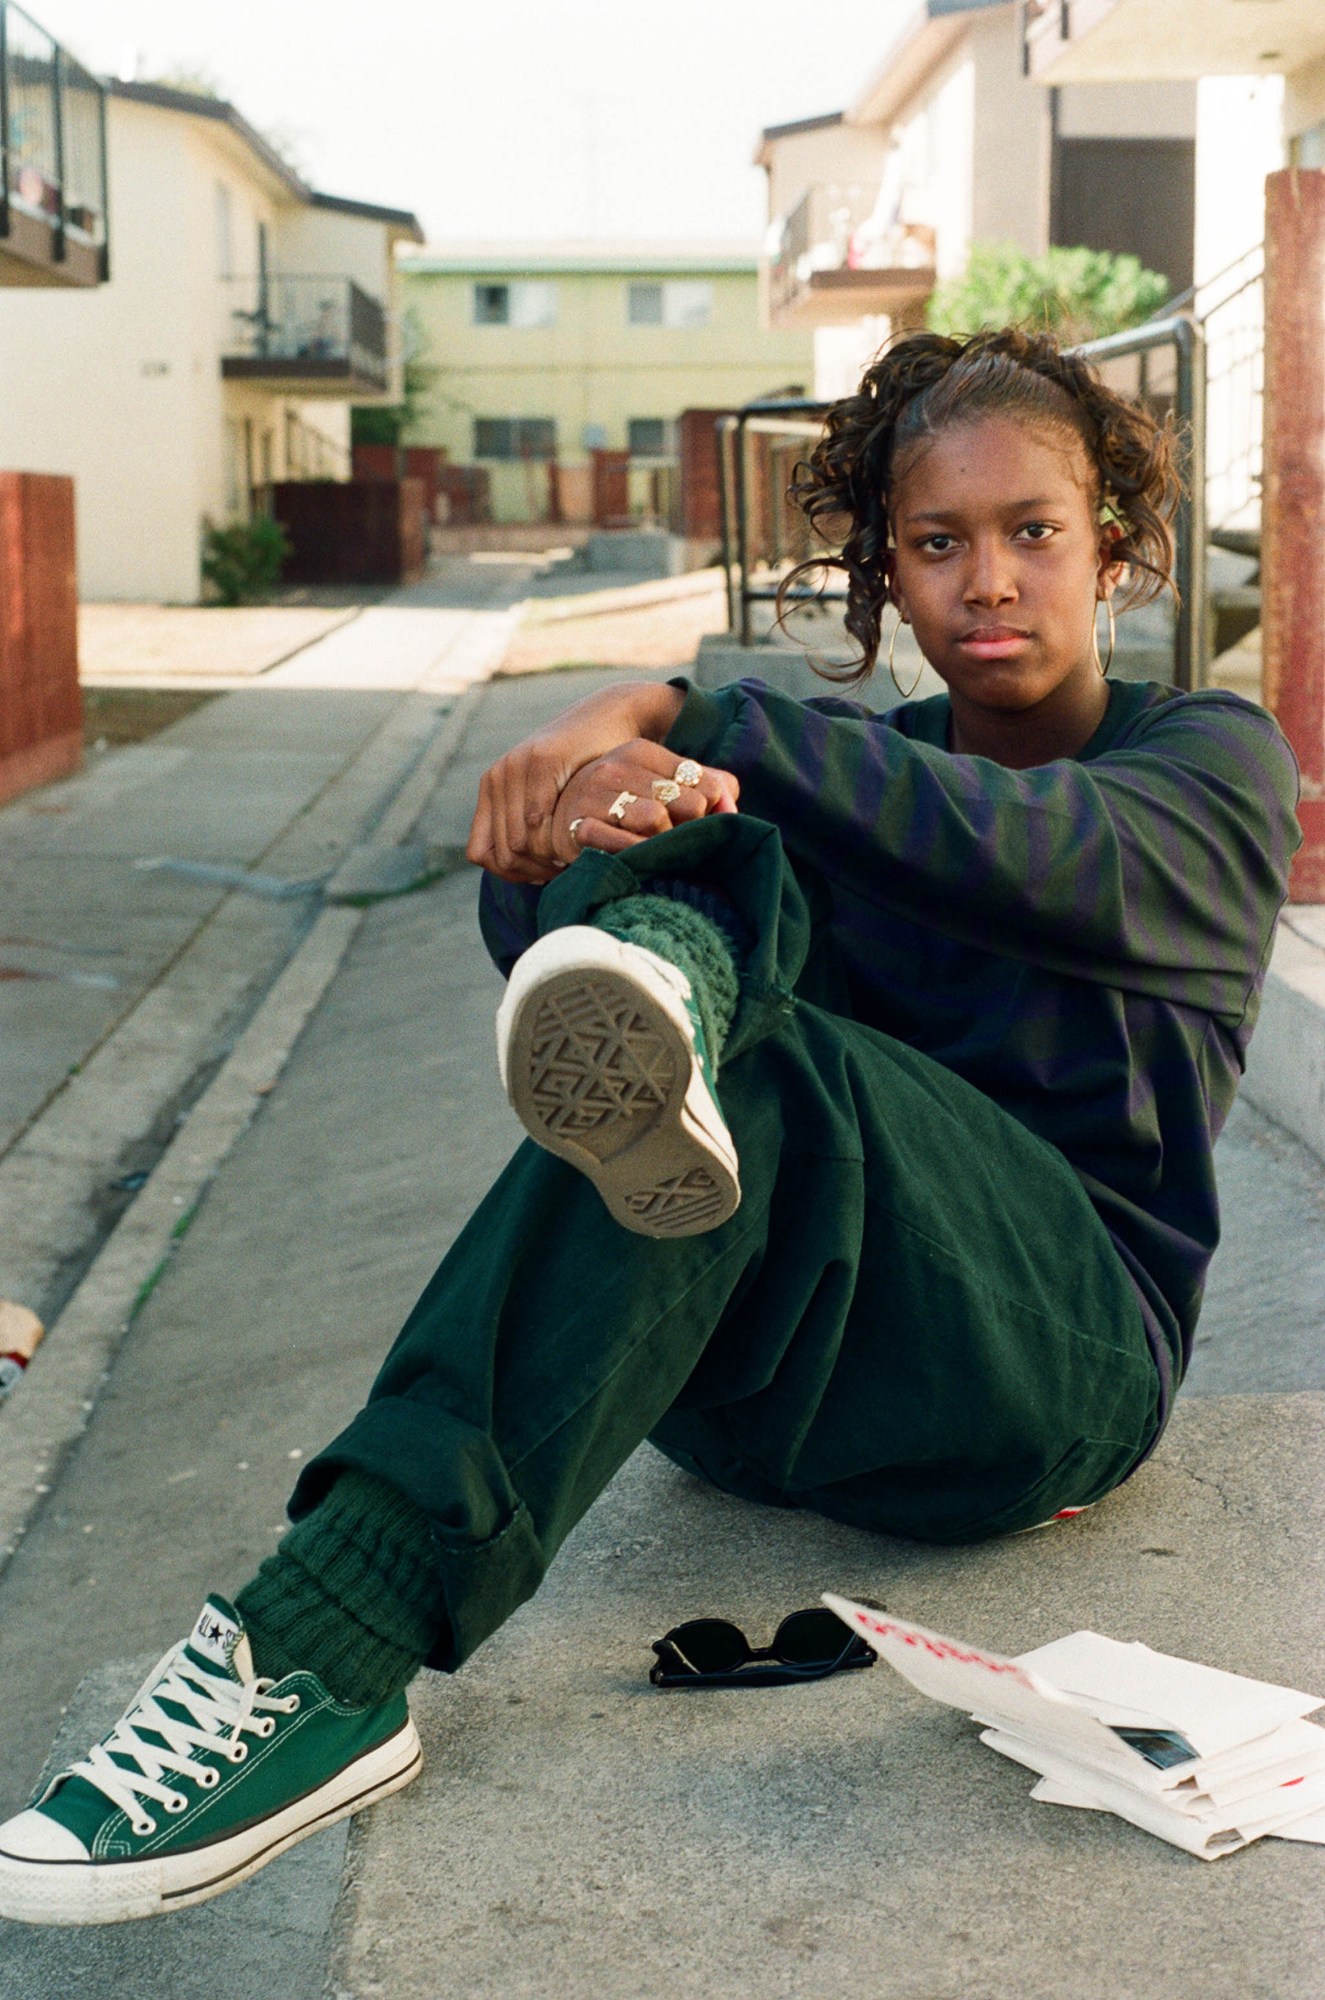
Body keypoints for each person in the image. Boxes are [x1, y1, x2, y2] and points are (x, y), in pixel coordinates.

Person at [0, 329, 1299, 1927]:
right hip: (755, 1396)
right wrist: (572, 833)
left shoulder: (1204, 764)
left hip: (1053, 1379)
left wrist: (702, 718)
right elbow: (573, 1004)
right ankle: (661, 982)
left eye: (1031, 530)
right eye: (935, 543)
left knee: (744, 1000)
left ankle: (323, 1645)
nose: (988, 580)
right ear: (881, 579)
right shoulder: (844, 773)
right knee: (684, 895)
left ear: (1110, 548)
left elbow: (1029, 854)